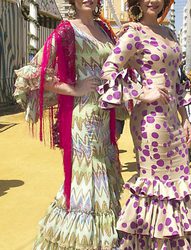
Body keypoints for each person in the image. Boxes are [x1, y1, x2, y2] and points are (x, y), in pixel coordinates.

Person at [97, 0, 191, 248]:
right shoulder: (133, 32)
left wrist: (186, 119)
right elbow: (108, 71)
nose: (153, 0)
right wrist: (141, 92)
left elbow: (177, 81)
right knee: (156, 184)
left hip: (174, 120)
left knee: (179, 182)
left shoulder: (170, 32)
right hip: (150, 123)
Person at [14, 0, 123, 248]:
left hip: (105, 117)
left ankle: (101, 241)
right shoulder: (66, 30)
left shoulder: (104, 29)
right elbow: (34, 72)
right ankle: (79, 240)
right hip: (83, 118)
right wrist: (74, 88)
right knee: (86, 182)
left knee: (103, 177)